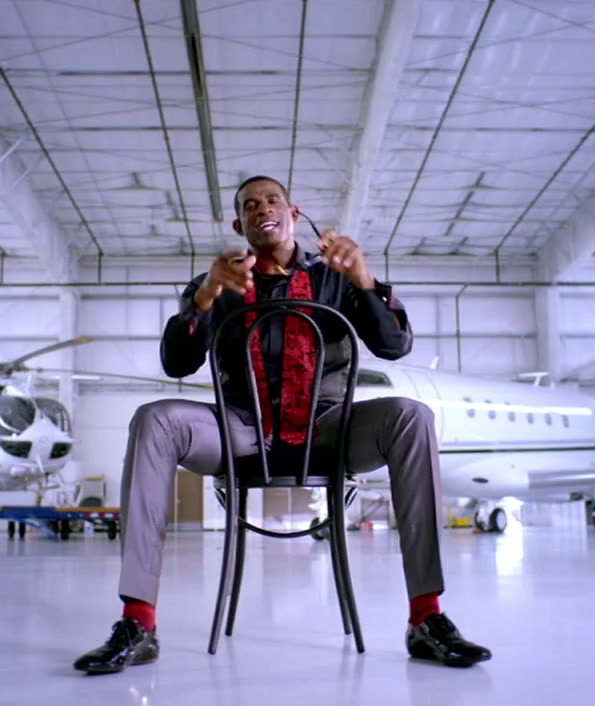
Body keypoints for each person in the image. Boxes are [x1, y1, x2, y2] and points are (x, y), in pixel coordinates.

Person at [72, 176, 491, 674]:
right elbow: (176, 363)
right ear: (239, 225)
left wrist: (363, 279)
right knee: (154, 419)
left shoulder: (336, 277)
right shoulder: (218, 281)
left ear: (293, 213)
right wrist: (204, 298)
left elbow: (395, 345)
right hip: (239, 430)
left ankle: (426, 618)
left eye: (272, 200)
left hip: (330, 427)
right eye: (250, 205)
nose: (262, 209)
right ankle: (138, 623)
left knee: (411, 416)